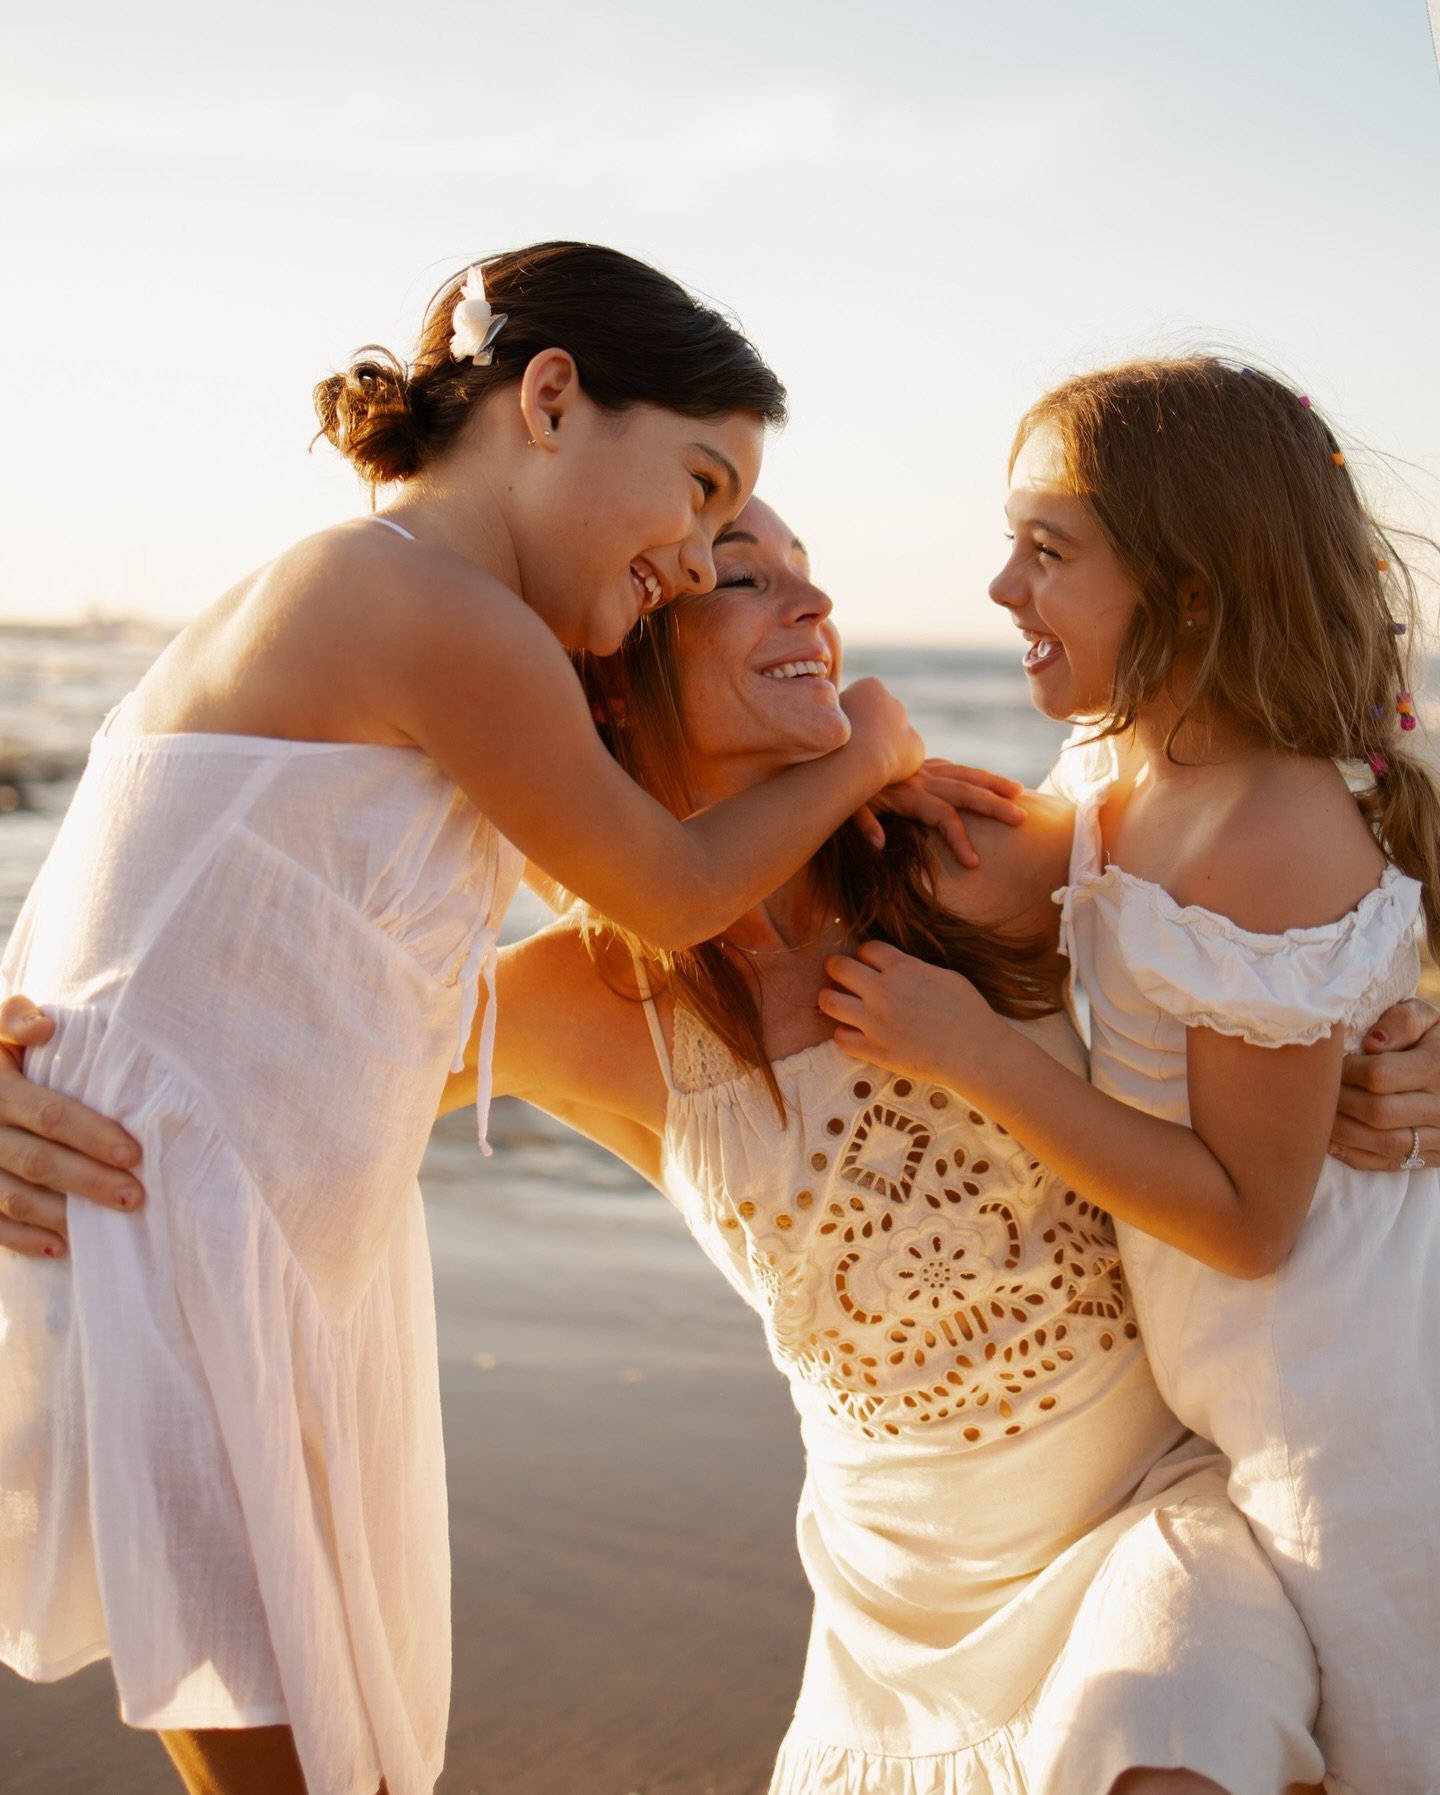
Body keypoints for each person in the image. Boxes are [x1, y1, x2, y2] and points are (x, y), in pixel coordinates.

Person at [16, 497, 1440, 1793]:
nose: (814, 609)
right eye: (745, 579)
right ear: (611, 679)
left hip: (1145, 1516)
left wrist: (1418, 1047)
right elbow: (219, 1054)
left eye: (814, 579)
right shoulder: (584, 1000)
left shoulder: (983, 856)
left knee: (1175, 1743)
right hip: (895, 1605)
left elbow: (1303, 922)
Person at [0, 243, 936, 1795]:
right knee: (272, 1712)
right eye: (700, 489)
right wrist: (869, 753)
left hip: (251, 1212)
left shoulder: (414, 614)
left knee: (290, 1711)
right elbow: (671, 889)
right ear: (551, 400)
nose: (699, 560)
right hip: (175, 1207)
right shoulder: (422, 602)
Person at [822, 361, 1440, 1793]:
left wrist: (971, 1055)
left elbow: (1246, 1219)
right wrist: (886, 793)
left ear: (1195, 593)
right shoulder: (1126, 765)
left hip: (1345, 1386)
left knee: (1389, 1721)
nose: (999, 587)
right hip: (1240, 1380)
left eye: (1049, 551)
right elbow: (1056, 860)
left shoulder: (1263, 833)